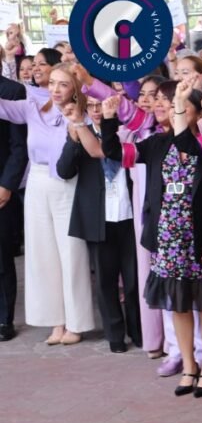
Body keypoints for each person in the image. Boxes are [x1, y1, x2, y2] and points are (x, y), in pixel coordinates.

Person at [100, 81, 202, 397]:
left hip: (198, 237)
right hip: (167, 236)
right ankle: (188, 366)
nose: (161, 106)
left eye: (170, 101)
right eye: (160, 101)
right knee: (177, 301)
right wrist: (108, 119)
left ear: (193, 110)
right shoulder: (156, 143)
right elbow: (115, 152)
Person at [0, 63, 94, 344]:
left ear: (74, 88)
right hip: (37, 185)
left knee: (71, 254)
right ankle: (56, 321)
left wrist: (77, 119)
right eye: (52, 82)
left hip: (68, 186)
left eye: (63, 84)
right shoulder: (31, 107)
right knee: (43, 255)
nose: (55, 89)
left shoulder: (81, 114)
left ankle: (76, 323)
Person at [58, 96, 141, 353]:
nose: (96, 111)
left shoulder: (127, 131)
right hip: (98, 218)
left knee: (133, 278)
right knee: (105, 280)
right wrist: (73, 140)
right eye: (90, 107)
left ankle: (139, 331)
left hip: (128, 214)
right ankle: (114, 334)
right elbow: (64, 171)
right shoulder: (79, 133)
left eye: (100, 105)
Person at [0, 67, 27, 341]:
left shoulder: (12, 91)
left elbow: (19, 146)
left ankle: (3, 319)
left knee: (2, 257)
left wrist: (7, 185)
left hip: (1, 186)